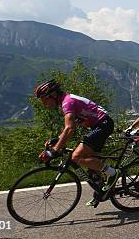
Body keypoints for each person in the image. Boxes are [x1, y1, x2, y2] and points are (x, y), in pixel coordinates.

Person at [35, 79, 118, 207]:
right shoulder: (66, 101)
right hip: (98, 126)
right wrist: (57, 140)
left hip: (103, 124)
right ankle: (102, 192)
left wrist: (54, 151)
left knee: (76, 156)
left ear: (53, 95)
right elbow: (69, 126)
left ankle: (113, 173)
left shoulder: (68, 102)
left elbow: (69, 129)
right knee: (90, 164)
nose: (44, 103)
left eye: (44, 99)